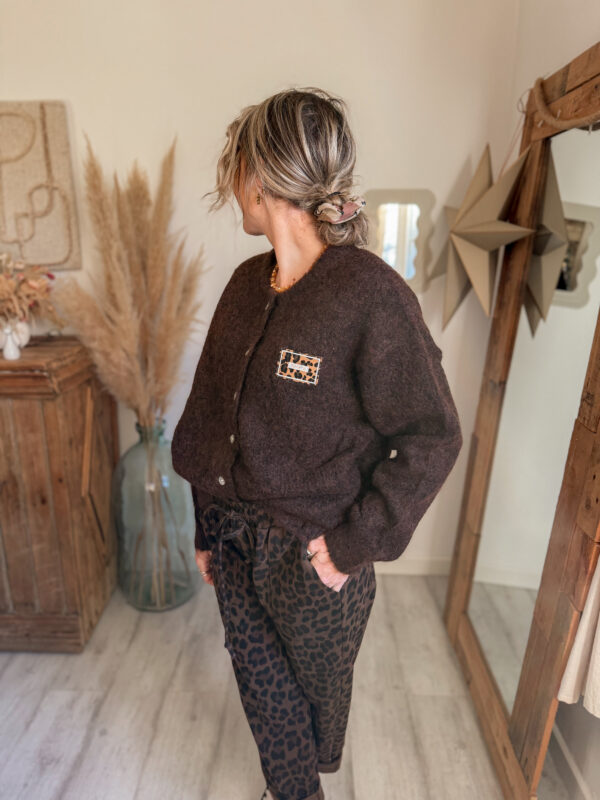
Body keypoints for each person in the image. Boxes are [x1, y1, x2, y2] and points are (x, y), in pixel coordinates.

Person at [171, 87, 463, 800]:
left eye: (234, 165)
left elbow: (431, 434)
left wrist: (354, 543)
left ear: (259, 179)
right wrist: (206, 525)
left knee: (316, 709)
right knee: (268, 702)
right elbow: (211, 416)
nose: (229, 183)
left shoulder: (370, 296)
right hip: (236, 542)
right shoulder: (245, 287)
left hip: (313, 557)